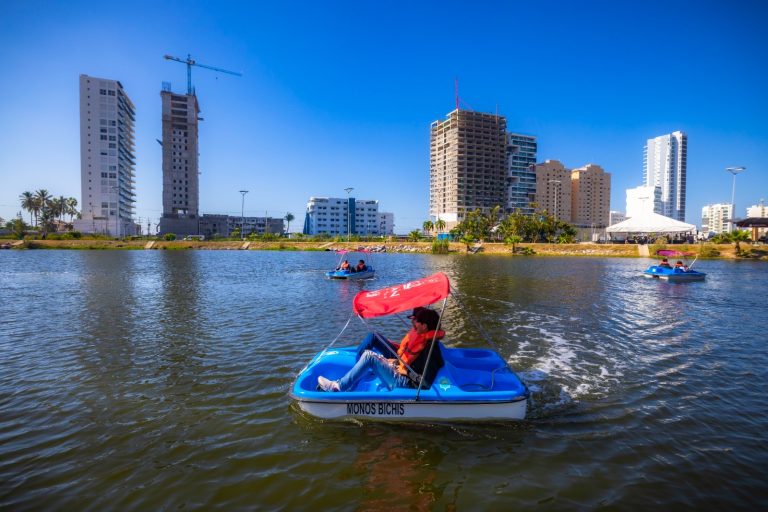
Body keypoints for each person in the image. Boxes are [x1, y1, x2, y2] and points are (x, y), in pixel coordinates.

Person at [318, 308, 445, 392]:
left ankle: (338, 387)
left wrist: (404, 371)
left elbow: (425, 383)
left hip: (406, 384)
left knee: (369, 356)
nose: (413, 324)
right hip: (402, 374)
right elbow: (414, 365)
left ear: (424, 326)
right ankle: (348, 379)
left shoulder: (430, 350)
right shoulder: (426, 341)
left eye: (416, 322)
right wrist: (395, 364)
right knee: (374, 355)